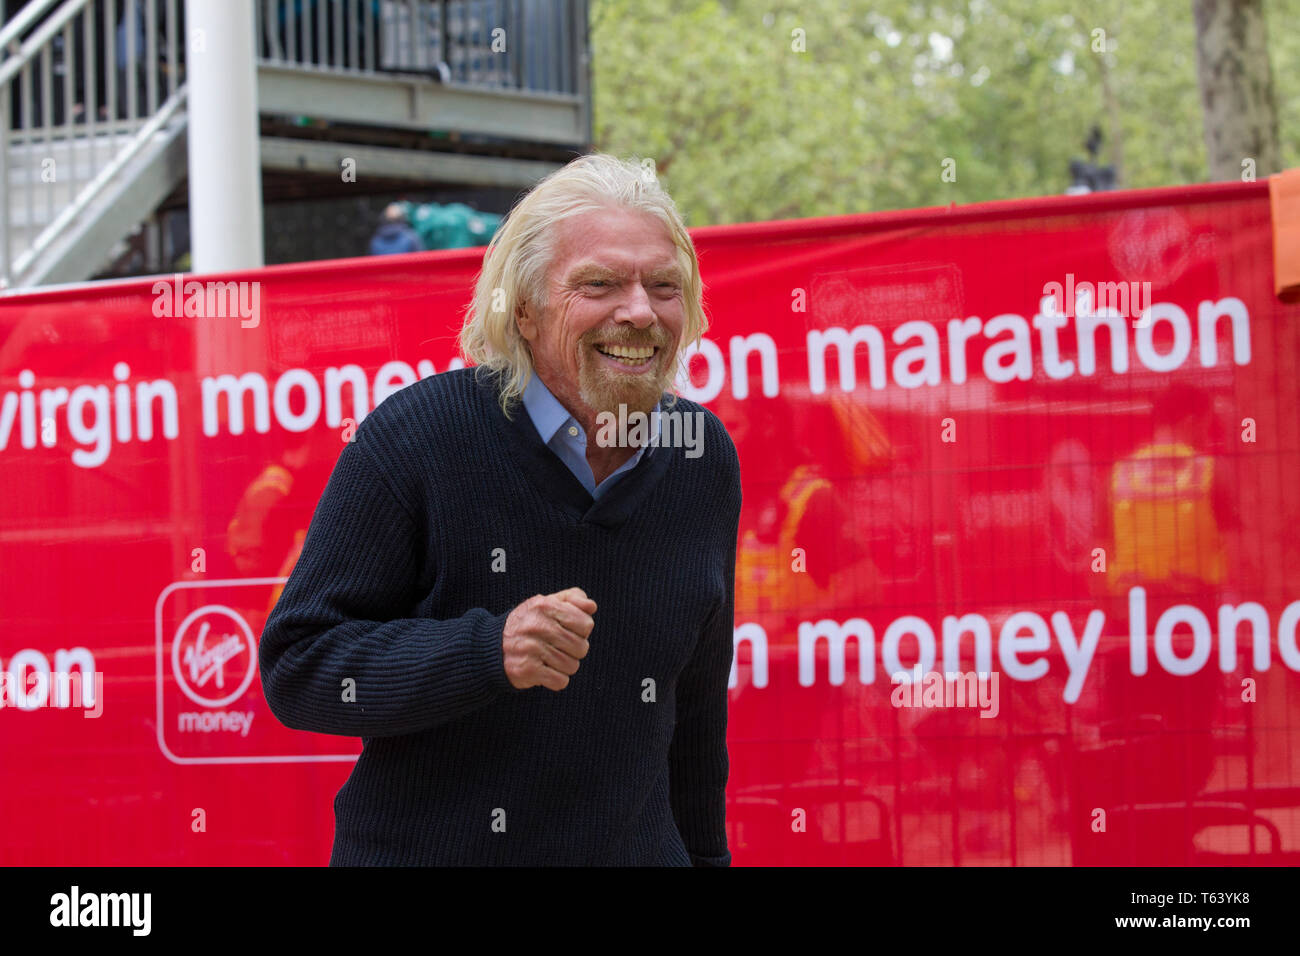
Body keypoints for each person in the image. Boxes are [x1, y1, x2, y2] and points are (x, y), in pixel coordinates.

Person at [259, 153, 741, 866]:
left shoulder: (702, 457)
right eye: (599, 284)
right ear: (522, 309)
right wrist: (484, 651)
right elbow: (299, 665)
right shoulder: (418, 438)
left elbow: (695, 723)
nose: (639, 310)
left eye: (663, 286)